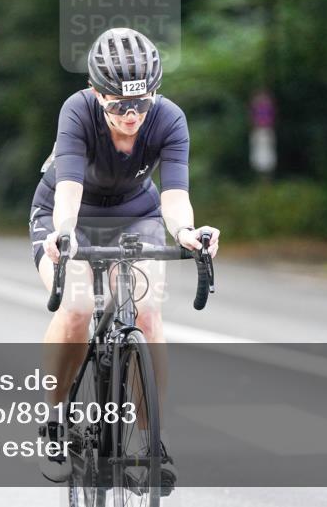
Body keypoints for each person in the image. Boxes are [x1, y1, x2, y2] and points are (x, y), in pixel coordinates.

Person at [31, 27, 220, 488]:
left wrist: (187, 233)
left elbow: (175, 197)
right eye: (118, 105)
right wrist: (64, 236)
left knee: (149, 314)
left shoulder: (169, 118)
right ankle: (54, 418)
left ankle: (149, 435)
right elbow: (70, 188)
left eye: (141, 103)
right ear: (97, 94)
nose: (131, 115)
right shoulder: (76, 111)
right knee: (76, 308)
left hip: (137, 214)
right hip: (68, 214)